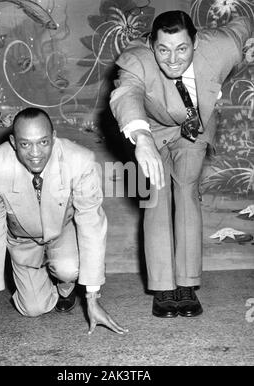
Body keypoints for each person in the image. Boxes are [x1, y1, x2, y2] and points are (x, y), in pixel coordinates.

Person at [110, 10, 251, 318]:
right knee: (155, 197)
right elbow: (125, 95)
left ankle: (186, 284)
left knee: (186, 192)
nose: (172, 59)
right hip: (149, 130)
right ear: (151, 44)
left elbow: (243, 24)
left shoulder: (222, 46)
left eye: (182, 48)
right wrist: (141, 139)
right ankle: (162, 287)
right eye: (163, 49)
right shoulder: (135, 60)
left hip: (195, 126)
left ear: (196, 42)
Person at [0, 107, 128, 337]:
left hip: (63, 231)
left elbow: (91, 223)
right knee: (32, 309)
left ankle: (66, 285)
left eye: (42, 142)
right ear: (13, 142)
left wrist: (92, 299)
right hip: (22, 239)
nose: (35, 153)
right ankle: (41, 278)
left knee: (69, 268)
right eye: (25, 144)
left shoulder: (80, 160)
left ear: (54, 137)